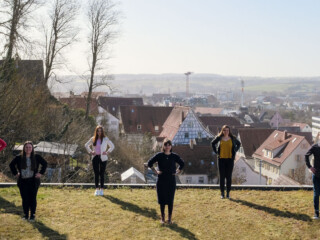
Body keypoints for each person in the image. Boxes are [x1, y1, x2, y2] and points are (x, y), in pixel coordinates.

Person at [146, 139, 184, 224]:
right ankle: (163, 218)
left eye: (169, 145)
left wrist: (178, 171)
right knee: (162, 200)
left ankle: (169, 218)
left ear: (171, 146)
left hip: (171, 181)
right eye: (166, 145)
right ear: (163, 146)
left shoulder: (174, 156)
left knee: (170, 200)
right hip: (161, 180)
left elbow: (182, 163)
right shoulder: (159, 155)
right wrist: (155, 171)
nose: (167, 147)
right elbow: (149, 163)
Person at [9, 141, 47, 221]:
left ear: (32, 148)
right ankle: (26, 215)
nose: (28, 149)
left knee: (32, 198)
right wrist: (16, 173)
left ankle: (32, 215)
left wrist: (40, 173)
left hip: (33, 181)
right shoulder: (19, 157)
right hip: (23, 181)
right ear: (24, 148)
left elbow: (45, 163)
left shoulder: (36, 157)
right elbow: (11, 165)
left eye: (30, 147)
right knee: (25, 198)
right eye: (26, 147)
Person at [211, 125, 241, 199]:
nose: (226, 131)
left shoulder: (233, 138)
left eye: (227, 130)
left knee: (228, 177)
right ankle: (222, 193)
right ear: (222, 131)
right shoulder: (219, 138)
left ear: (229, 131)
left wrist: (235, 151)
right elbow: (212, 143)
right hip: (221, 159)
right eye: (224, 130)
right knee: (222, 177)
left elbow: (239, 144)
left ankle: (228, 193)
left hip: (230, 160)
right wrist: (216, 152)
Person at [85, 125, 114, 196]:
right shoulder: (93, 138)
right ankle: (97, 190)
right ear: (96, 131)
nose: (99, 132)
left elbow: (112, 146)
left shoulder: (105, 139)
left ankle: (101, 190)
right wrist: (91, 151)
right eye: (98, 131)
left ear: (102, 131)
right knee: (96, 174)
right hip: (95, 158)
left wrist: (107, 152)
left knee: (102, 174)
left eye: (101, 131)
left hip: (103, 158)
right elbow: (86, 145)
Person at [305, 140, 320, 219]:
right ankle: (316, 213)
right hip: (316, 174)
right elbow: (306, 155)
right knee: (316, 194)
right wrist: (310, 167)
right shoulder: (315, 147)